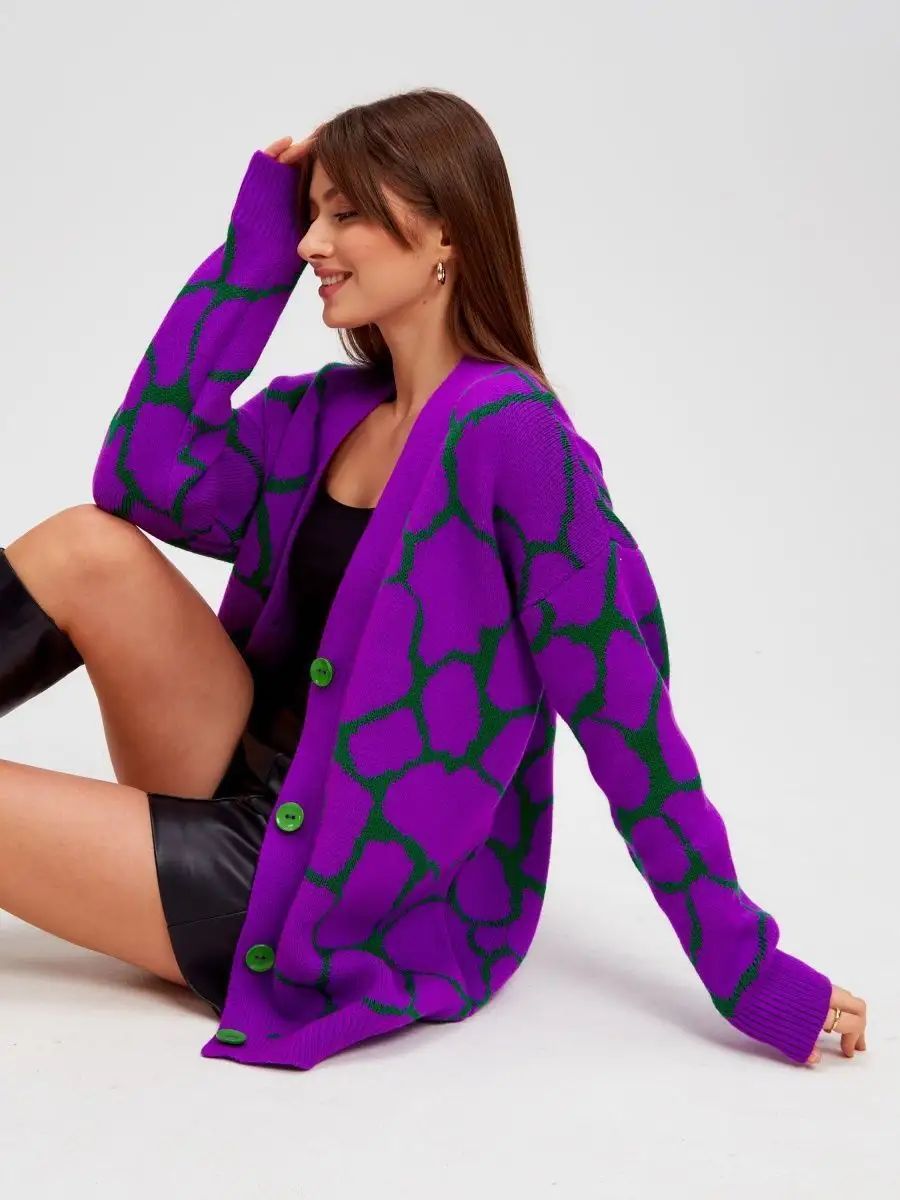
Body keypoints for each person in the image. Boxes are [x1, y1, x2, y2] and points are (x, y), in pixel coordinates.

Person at [0, 89, 866, 1067]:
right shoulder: (327, 412)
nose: (311, 243)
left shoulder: (518, 443)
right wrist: (253, 247)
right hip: (237, 769)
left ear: (446, 231)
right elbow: (141, 471)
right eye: (309, 214)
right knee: (89, 546)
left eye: (344, 214)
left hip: (315, 890)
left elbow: (628, 722)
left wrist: (752, 971)